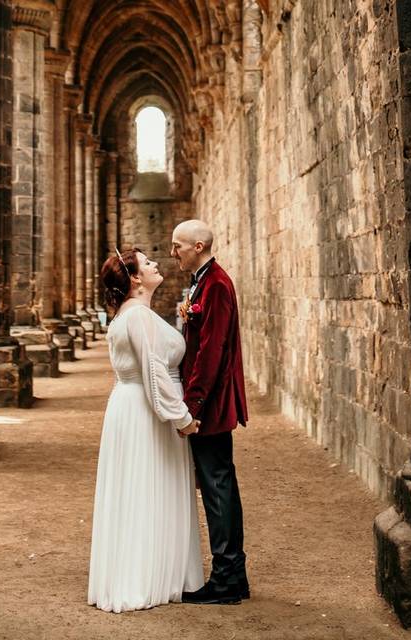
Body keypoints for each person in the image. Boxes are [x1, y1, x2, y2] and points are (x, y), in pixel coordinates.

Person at [87, 248, 205, 613]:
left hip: (128, 405)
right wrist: (181, 418)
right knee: (148, 485)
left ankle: (144, 571)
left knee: (139, 487)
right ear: (136, 278)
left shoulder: (129, 314)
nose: (156, 264)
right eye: (147, 262)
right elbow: (155, 371)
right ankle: (145, 578)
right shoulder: (137, 315)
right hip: (144, 410)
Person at [171, 219, 249, 605]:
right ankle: (234, 575)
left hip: (211, 406)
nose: (173, 253)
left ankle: (226, 580)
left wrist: (192, 406)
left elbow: (212, 350)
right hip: (208, 403)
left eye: (178, 246)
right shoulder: (204, 281)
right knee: (219, 485)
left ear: (198, 245)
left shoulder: (216, 284)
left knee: (217, 488)